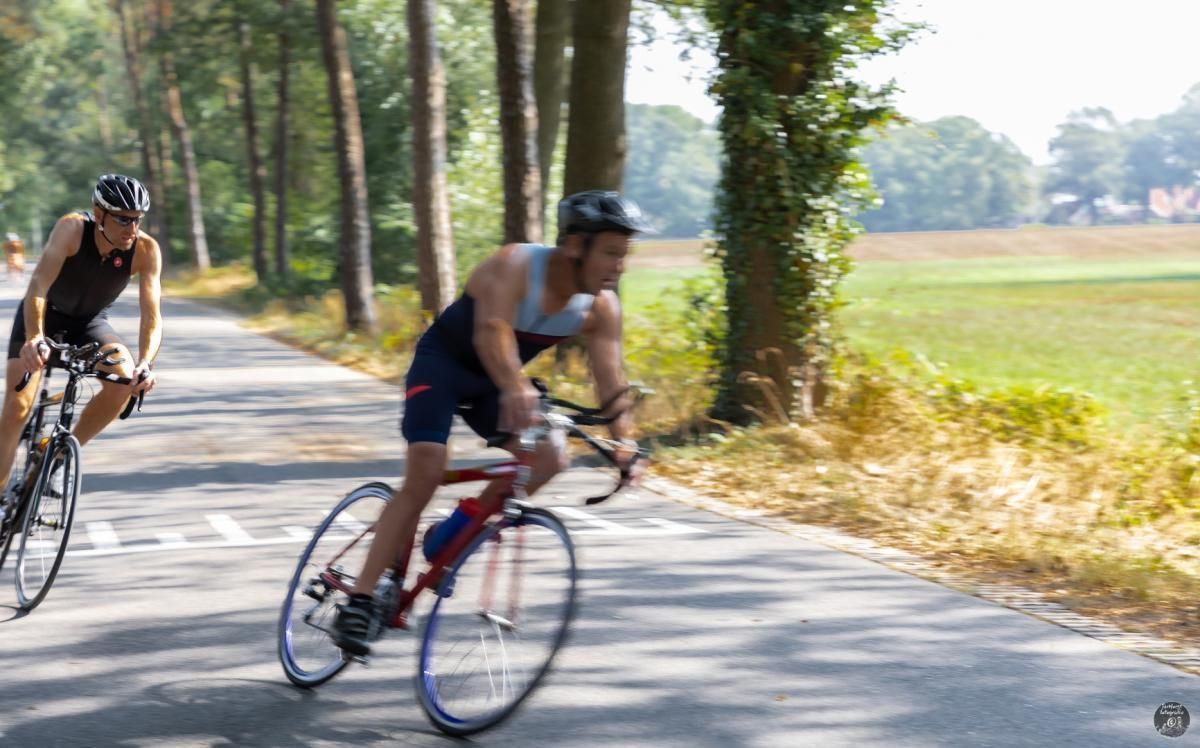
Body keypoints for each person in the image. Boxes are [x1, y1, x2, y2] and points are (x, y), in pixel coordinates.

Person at [331, 190, 653, 657]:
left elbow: (610, 378)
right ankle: (360, 599)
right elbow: (492, 332)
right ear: (574, 246)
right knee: (424, 471)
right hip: (444, 368)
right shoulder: (516, 265)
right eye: (610, 254)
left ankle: (452, 539)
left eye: (624, 256)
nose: (618, 267)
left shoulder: (600, 307)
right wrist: (516, 384)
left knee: (550, 456)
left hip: (497, 384)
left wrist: (626, 444)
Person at [0, 174, 162, 495]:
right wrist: (34, 337)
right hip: (43, 317)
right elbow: (38, 287)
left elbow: (152, 316)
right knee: (17, 408)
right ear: (99, 213)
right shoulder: (72, 229)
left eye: (137, 220)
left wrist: (145, 362)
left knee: (124, 382)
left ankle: (57, 456)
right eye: (123, 219)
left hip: (89, 324)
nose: (132, 228)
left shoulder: (145, 249)